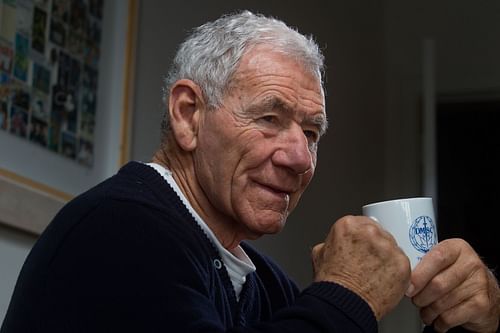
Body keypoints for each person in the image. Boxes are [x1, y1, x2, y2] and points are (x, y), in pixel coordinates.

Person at [2, 11, 499, 333]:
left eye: (311, 133)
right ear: (188, 115)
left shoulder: (264, 282)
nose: (300, 159)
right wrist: (347, 292)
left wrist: (474, 317)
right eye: (269, 118)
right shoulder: (116, 232)